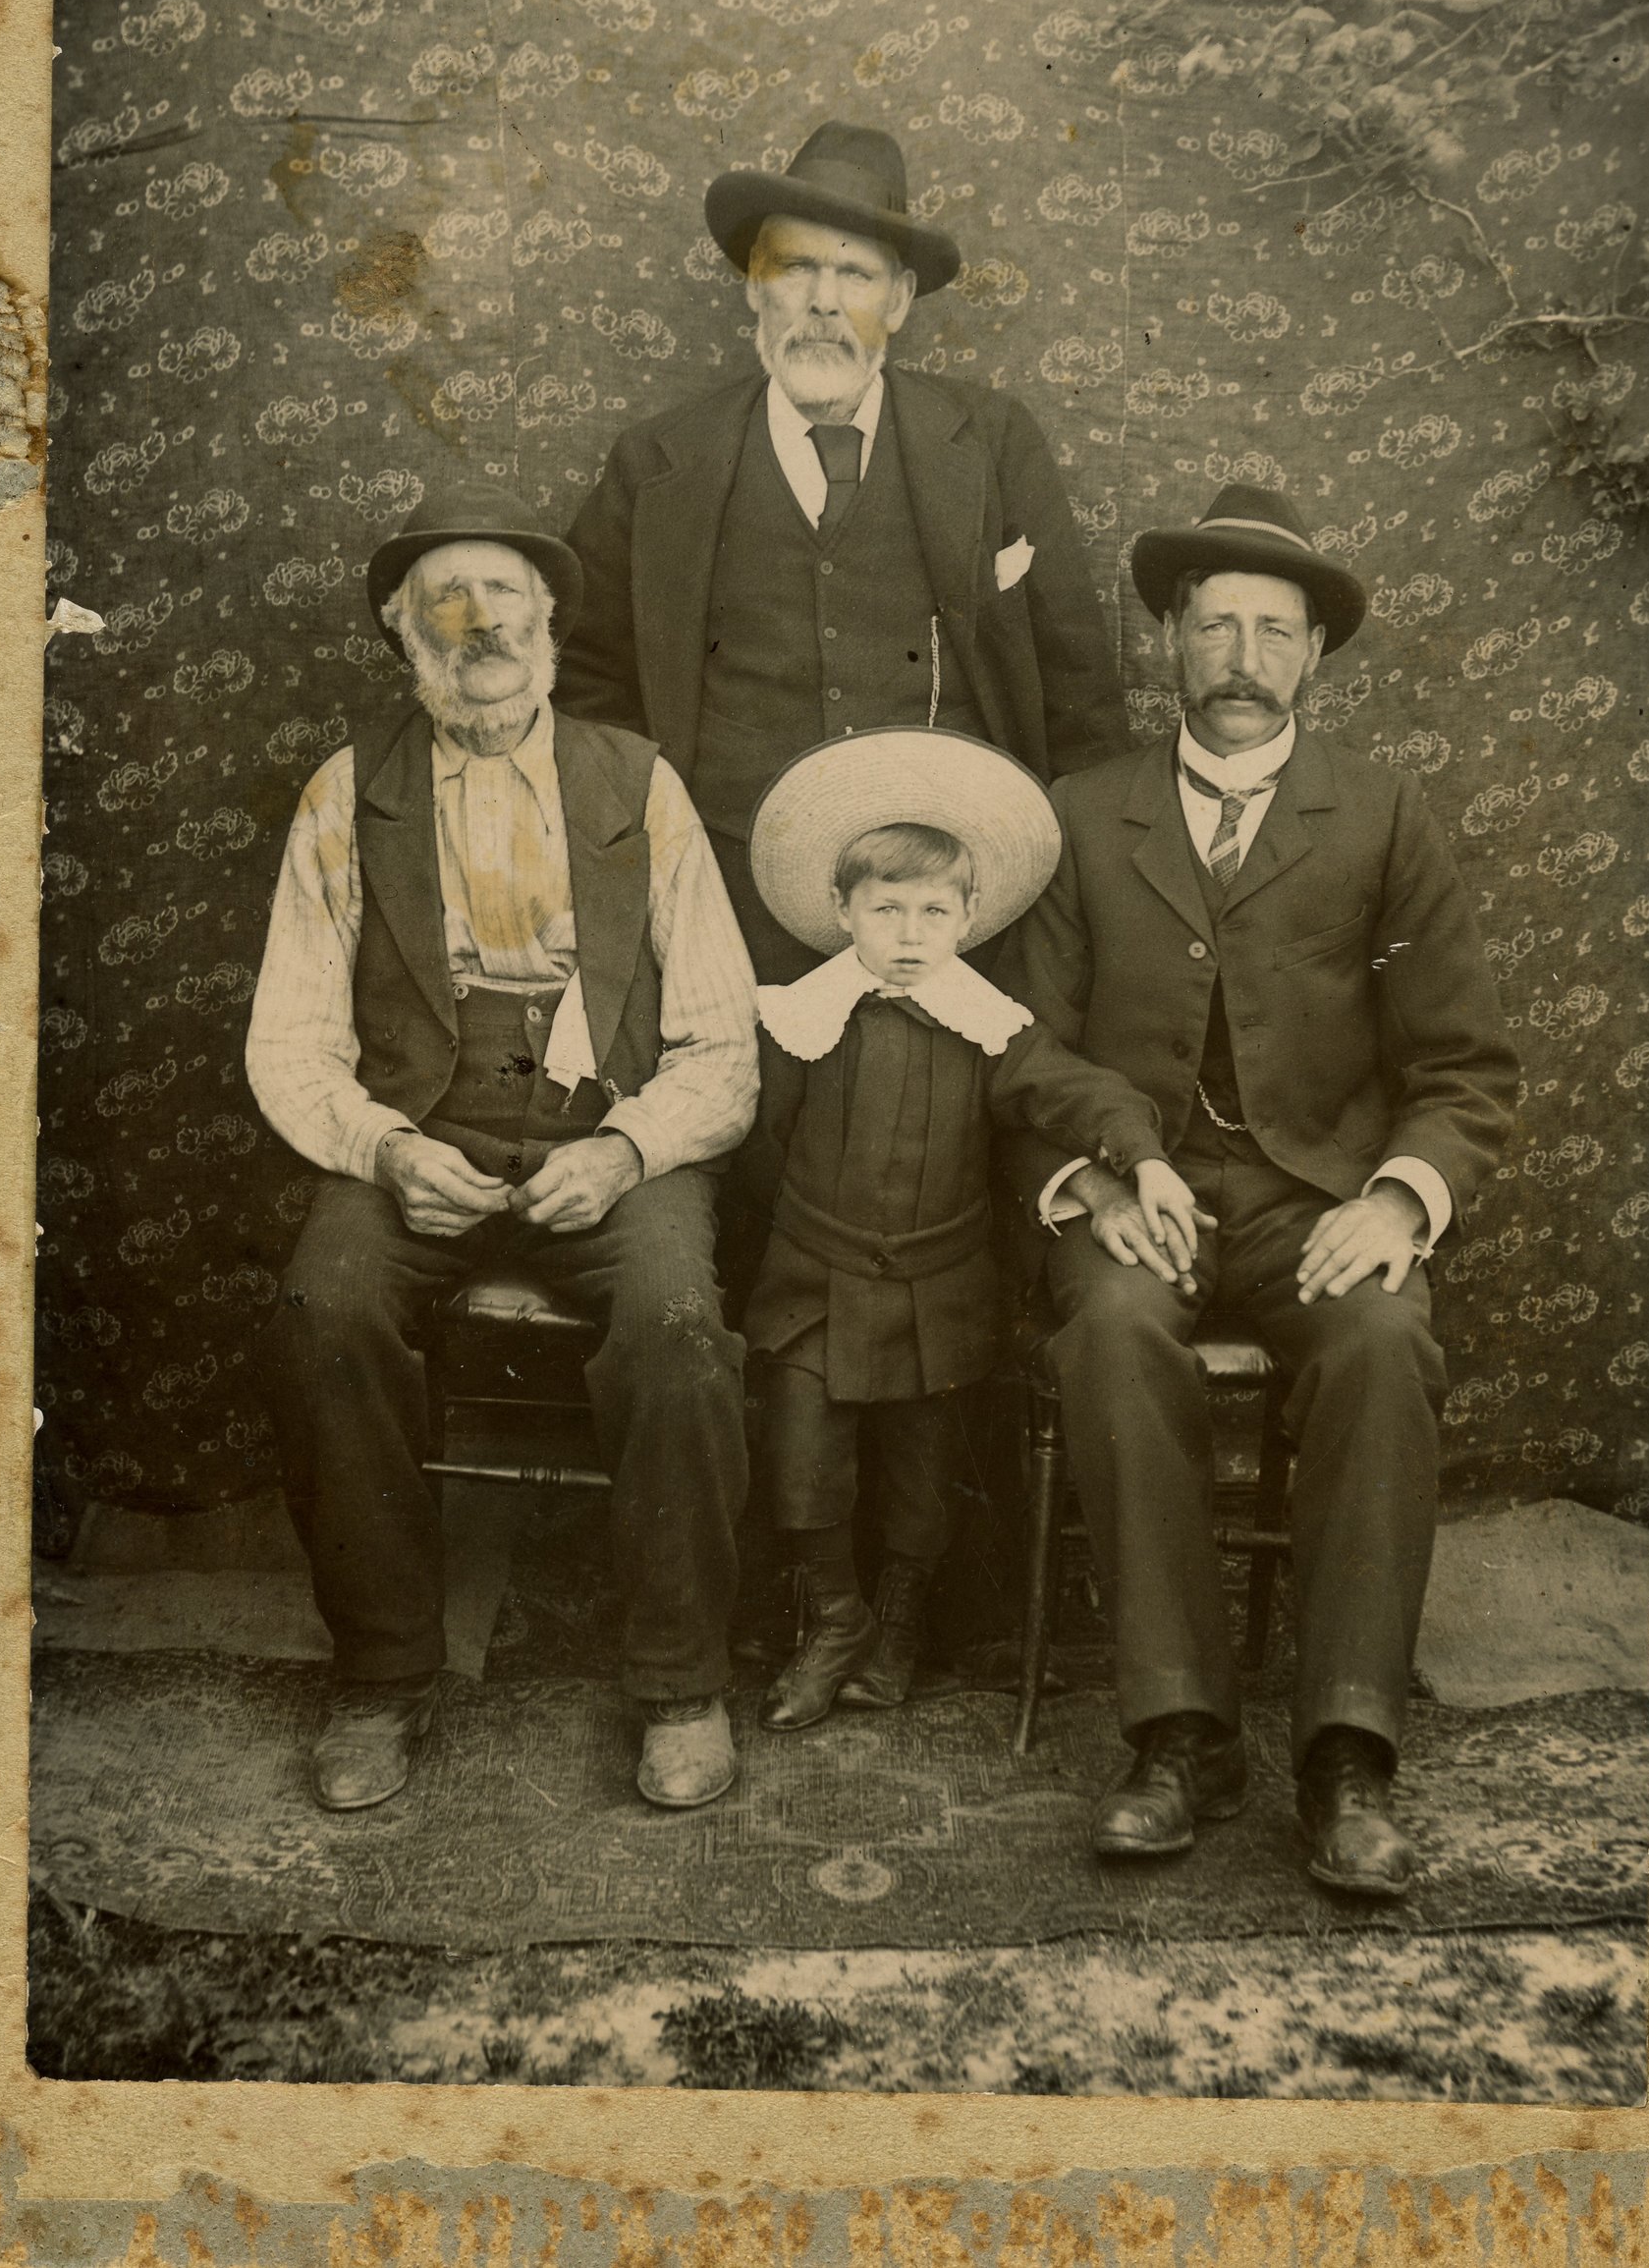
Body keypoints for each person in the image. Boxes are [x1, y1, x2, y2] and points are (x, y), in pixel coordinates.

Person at [1004, 481, 1519, 1895]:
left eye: (1273, 630)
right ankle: (1178, 1736)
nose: (1242, 654)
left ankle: (1346, 1754)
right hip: (1137, 1194)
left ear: (1314, 657)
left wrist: (1402, 1201)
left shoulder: (1382, 814)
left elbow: (1467, 1065)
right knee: (1109, 1331)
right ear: (1170, 636)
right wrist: (1087, 1179)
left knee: (1382, 1335)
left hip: (1315, 1198)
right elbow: (1024, 1043)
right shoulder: (1081, 810)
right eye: (1214, 622)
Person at [246, 486, 759, 1819]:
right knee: (323, 1306)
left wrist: (632, 1147)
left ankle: (679, 1683)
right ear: (397, 634)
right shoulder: (346, 792)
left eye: (502, 610)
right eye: (445, 614)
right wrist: (385, 1147)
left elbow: (722, 1046)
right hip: (422, 1129)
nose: (478, 637)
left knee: (677, 1325)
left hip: (611, 1132)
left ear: (548, 624)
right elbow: (291, 1040)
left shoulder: (638, 782)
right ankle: (382, 1673)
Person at [556, 119, 1129, 976]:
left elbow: (1079, 691)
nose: (824, 301)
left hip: (948, 902)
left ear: (897, 301)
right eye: (795, 267)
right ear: (755, 285)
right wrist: (651, 847)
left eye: (855, 273)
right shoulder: (659, 461)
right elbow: (586, 687)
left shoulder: (994, 442)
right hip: (725, 900)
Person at [733, 730, 1172, 1730]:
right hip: (816, 1277)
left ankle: (894, 1622)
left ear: (970, 918)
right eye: (884, 908)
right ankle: (835, 1618)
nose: (908, 933)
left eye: (934, 910)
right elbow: (759, 1147)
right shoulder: (799, 1021)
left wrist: (1134, 1150)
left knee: (925, 1479)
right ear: (840, 912)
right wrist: (797, 1242)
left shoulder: (993, 1028)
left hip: (939, 1285)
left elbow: (1078, 1092)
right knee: (802, 1461)